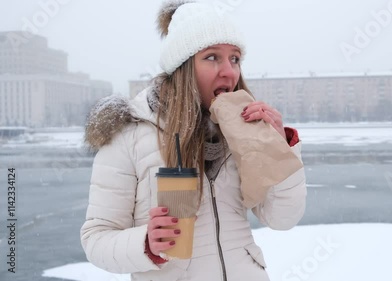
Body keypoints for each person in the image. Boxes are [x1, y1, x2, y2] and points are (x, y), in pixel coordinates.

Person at [80, 1, 306, 280]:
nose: (229, 72)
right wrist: (146, 244)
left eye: (234, 58)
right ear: (183, 65)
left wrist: (278, 147)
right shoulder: (130, 135)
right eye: (212, 57)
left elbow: (282, 218)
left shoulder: (244, 130)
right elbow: (97, 239)